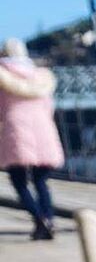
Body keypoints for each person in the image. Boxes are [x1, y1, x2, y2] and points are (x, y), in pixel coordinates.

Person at [0, 38, 63, 241]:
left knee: (18, 180)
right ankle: (49, 218)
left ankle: (39, 218)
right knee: (41, 180)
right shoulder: (40, 76)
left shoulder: (3, 77)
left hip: (15, 130)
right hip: (42, 130)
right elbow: (49, 107)